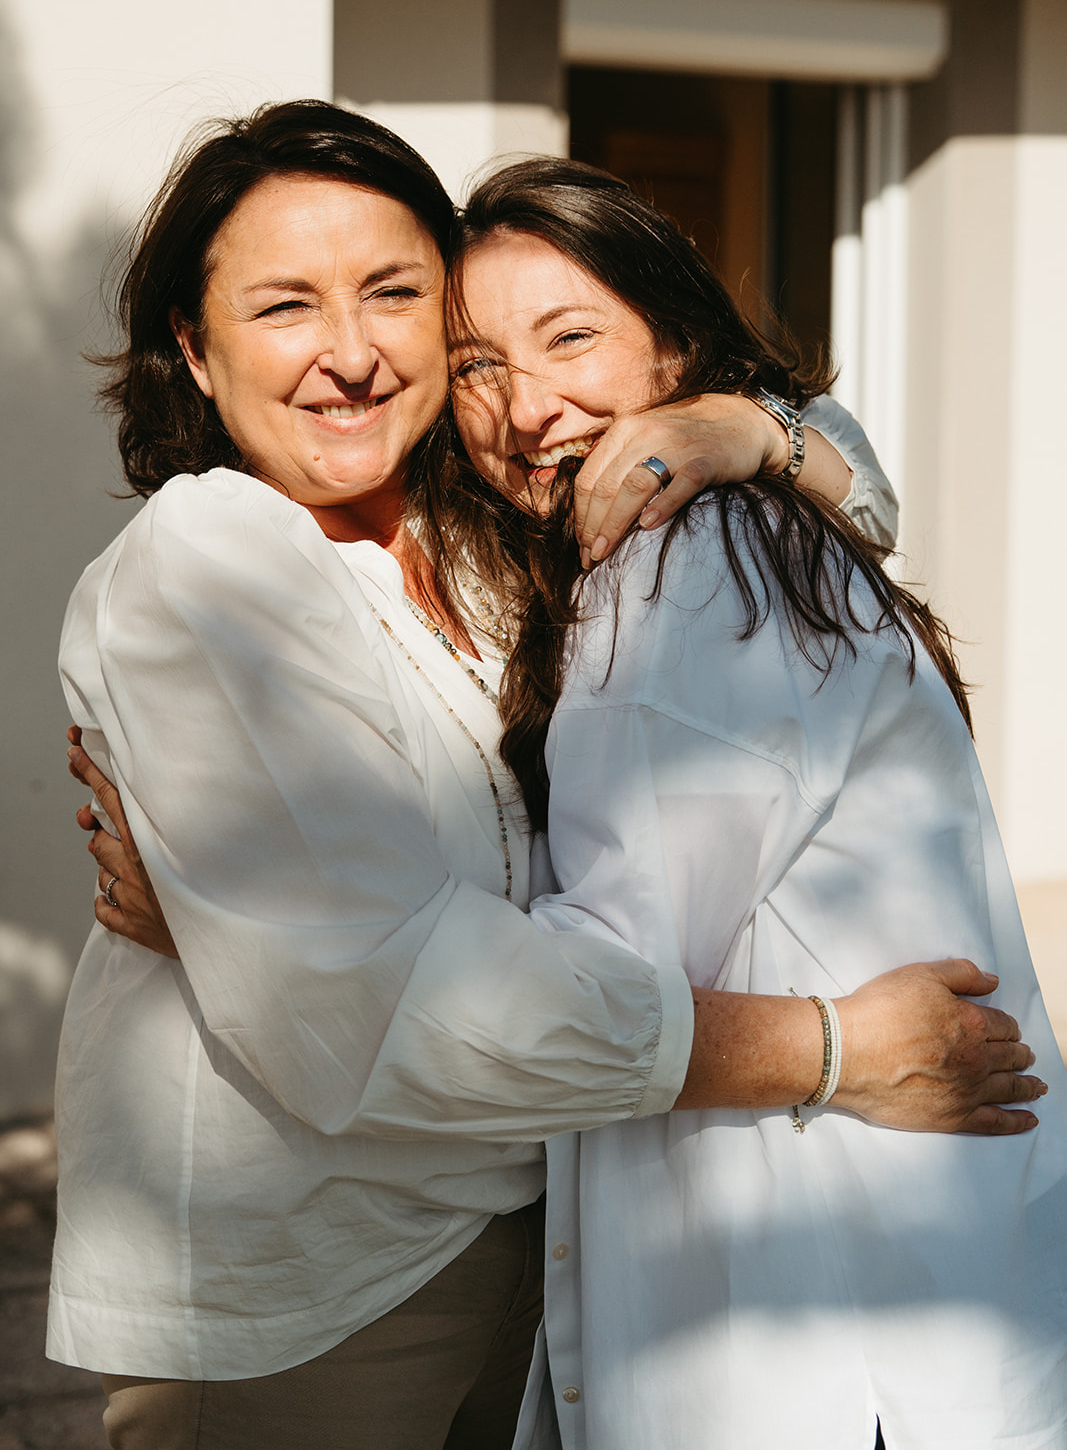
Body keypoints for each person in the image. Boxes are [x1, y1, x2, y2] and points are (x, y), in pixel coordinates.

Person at [56, 102, 1041, 1450]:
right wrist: (833, 1049)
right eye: (285, 306)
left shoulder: (491, 533)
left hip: (523, 1248)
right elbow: (382, 1000)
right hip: (319, 1285)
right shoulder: (214, 563)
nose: (351, 351)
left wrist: (743, 429)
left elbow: (845, 483)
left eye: (395, 294)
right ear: (192, 344)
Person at [443, 155, 1067, 1449]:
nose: (525, 404)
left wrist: (283, 916)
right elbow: (862, 480)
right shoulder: (732, 526)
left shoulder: (687, 562)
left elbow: (600, 982)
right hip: (902, 1303)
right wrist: (765, 427)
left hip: (815, 1345)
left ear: (674, 344)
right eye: (475, 365)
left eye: (569, 337)